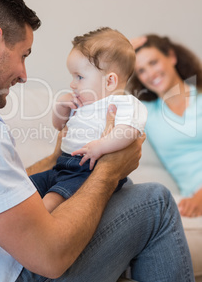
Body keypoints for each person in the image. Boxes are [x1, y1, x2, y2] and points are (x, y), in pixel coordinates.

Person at [0, 0, 199, 282]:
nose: (23, 74)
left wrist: (55, 158)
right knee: (154, 201)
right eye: (23, 55)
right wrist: (110, 170)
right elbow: (48, 257)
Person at [30, 28, 148, 212]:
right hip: (62, 165)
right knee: (27, 188)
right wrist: (61, 106)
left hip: (87, 170)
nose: (72, 83)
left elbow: (130, 131)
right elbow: (59, 126)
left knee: (50, 202)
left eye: (79, 77)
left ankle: (35, 231)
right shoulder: (82, 103)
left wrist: (101, 146)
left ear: (109, 82)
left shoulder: (123, 103)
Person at [128, 34, 202, 218]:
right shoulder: (146, 113)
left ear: (171, 57)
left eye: (153, 62)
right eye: (141, 70)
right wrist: (121, 57)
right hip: (191, 200)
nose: (150, 74)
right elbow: (105, 106)